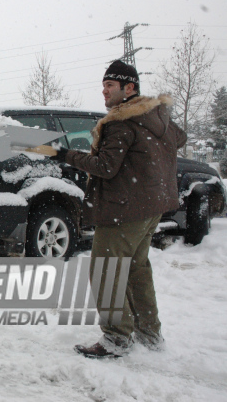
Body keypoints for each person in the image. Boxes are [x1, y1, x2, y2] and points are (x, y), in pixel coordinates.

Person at [50, 60, 186, 358]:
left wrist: (64, 154)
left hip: (123, 210)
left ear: (129, 87)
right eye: (104, 85)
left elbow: (105, 167)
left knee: (106, 271)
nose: (104, 91)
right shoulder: (156, 115)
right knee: (136, 269)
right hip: (151, 207)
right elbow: (180, 138)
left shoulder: (121, 122)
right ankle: (149, 333)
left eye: (110, 85)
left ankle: (116, 338)